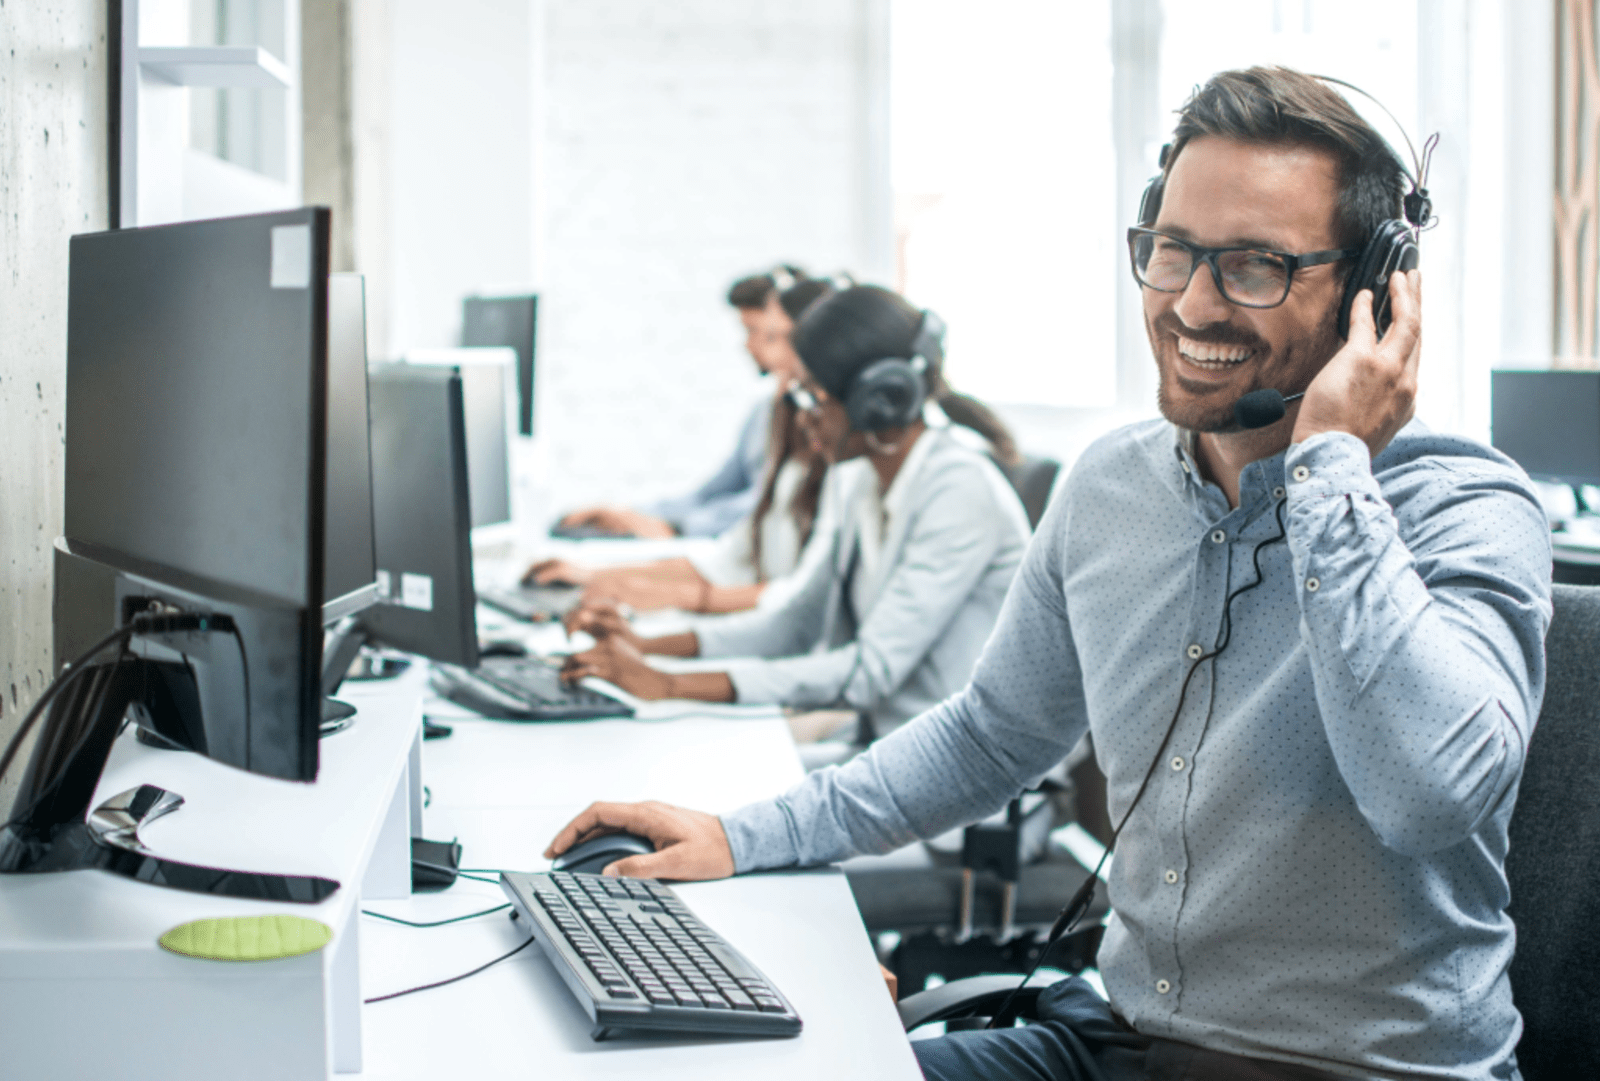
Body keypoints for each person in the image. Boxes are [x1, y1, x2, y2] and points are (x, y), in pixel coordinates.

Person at [543, 67, 1553, 1081]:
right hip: (1116, 1041)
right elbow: (991, 733)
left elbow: (1428, 796)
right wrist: (740, 835)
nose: (1194, 303)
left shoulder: (1465, 509)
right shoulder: (1110, 485)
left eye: (1255, 266)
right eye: (1171, 254)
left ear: (1374, 293)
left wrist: (1332, 468)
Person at [559, 285, 1031, 741]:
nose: (801, 417)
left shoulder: (959, 490)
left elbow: (871, 672)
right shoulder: (859, 477)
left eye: (813, 395)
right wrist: (648, 649)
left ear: (877, 400)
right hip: (890, 747)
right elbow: (794, 623)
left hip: (966, 776)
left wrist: (669, 686)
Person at [527, 277, 838, 613]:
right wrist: (605, 564)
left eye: (771, 336)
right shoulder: (773, 417)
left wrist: (672, 538)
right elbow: (724, 537)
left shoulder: (831, 461)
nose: (754, 346)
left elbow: (796, 597)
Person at [552, 265, 807, 540]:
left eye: (760, 333)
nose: (749, 345)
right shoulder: (765, 412)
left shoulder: (814, 419)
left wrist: (678, 527)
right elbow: (712, 493)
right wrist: (629, 515)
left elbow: (771, 504)